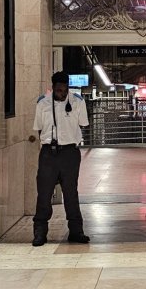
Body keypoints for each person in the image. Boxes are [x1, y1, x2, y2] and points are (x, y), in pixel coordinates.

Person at [29, 71, 90, 246]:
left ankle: (76, 231)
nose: (61, 94)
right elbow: (39, 128)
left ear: (68, 87)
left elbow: (83, 124)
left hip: (70, 153)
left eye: (64, 90)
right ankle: (40, 232)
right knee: (44, 193)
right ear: (53, 88)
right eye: (58, 90)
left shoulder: (78, 101)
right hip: (49, 153)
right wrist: (49, 143)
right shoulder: (43, 102)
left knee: (71, 193)